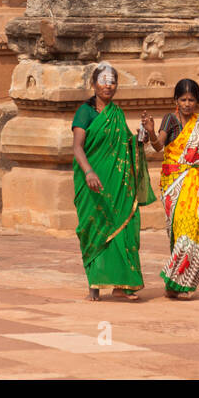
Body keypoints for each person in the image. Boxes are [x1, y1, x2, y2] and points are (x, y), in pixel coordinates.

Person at [71, 61, 156, 301]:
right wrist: (89, 172)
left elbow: (129, 146)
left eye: (112, 81)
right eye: (104, 81)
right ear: (93, 83)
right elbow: (77, 148)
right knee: (93, 228)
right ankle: (94, 286)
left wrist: (143, 133)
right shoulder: (85, 112)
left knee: (124, 228)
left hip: (118, 184)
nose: (108, 86)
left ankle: (122, 285)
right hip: (92, 182)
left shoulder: (117, 114)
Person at [141, 79, 199, 298]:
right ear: (176, 100)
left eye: (191, 100)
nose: (187, 104)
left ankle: (183, 283)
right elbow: (158, 146)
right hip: (173, 182)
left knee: (192, 230)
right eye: (183, 99)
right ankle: (175, 283)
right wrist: (151, 132)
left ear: (197, 102)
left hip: (196, 181)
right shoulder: (170, 119)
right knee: (177, 232)